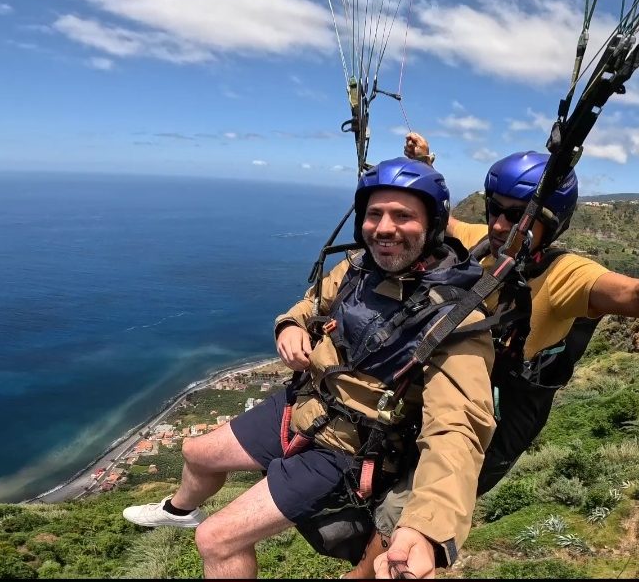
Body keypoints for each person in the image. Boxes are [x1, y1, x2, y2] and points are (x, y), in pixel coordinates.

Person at [333, 131, 639, 578]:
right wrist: (424, 165)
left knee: (406, 516)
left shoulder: (567, 276)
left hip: (502, 408)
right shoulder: (485, 245)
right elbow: (434, 221)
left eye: (518, 216)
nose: (501, 225)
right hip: (448, 386)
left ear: (551, 222)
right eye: (495, 209)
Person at [122, 157, 496, 579]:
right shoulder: (359, 268)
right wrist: (289, 326)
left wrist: (425, 527)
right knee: (196, 453)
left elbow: (458, 429)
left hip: (347, 448)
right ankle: (178, 510)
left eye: (403, 216)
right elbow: (310, 304)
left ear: (434, 224)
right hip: (304, 405)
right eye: (375, 214)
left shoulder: (456, 319)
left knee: (217, 539)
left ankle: (204, 531)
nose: (384, 227)